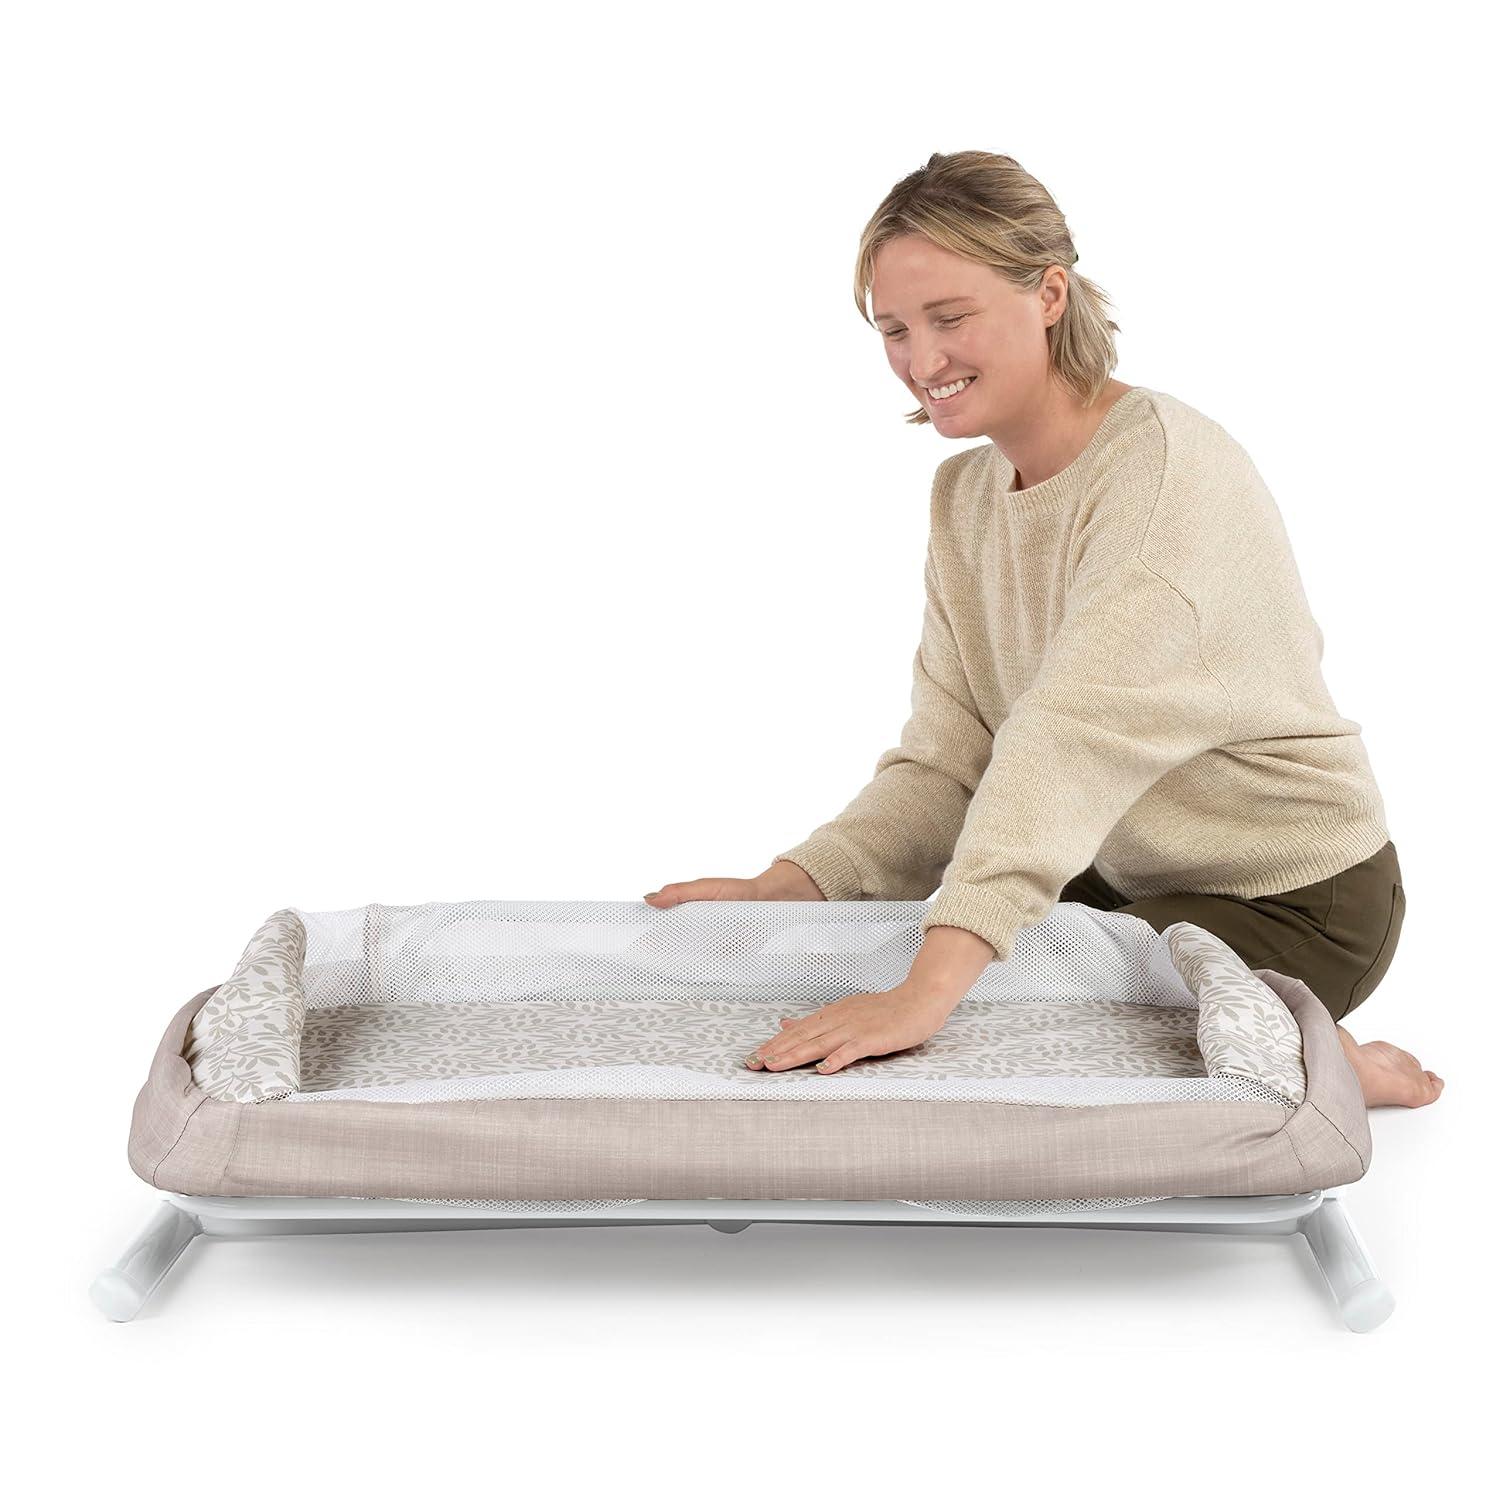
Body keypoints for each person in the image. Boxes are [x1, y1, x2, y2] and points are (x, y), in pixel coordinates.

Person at [644, 150, 1442, 1111]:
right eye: (894, 329)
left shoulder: (1161, 474)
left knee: (985, 1009)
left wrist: (924, 997)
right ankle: (1252, 1027)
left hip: (1296, 897)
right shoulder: (966, 497)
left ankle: (1315, 1051)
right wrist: (786, 889)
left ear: (1050, 294)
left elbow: (1068, 742)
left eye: (951, 317)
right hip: (1125, 878)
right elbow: (950, 761)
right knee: (946, 962)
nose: (922, 362)